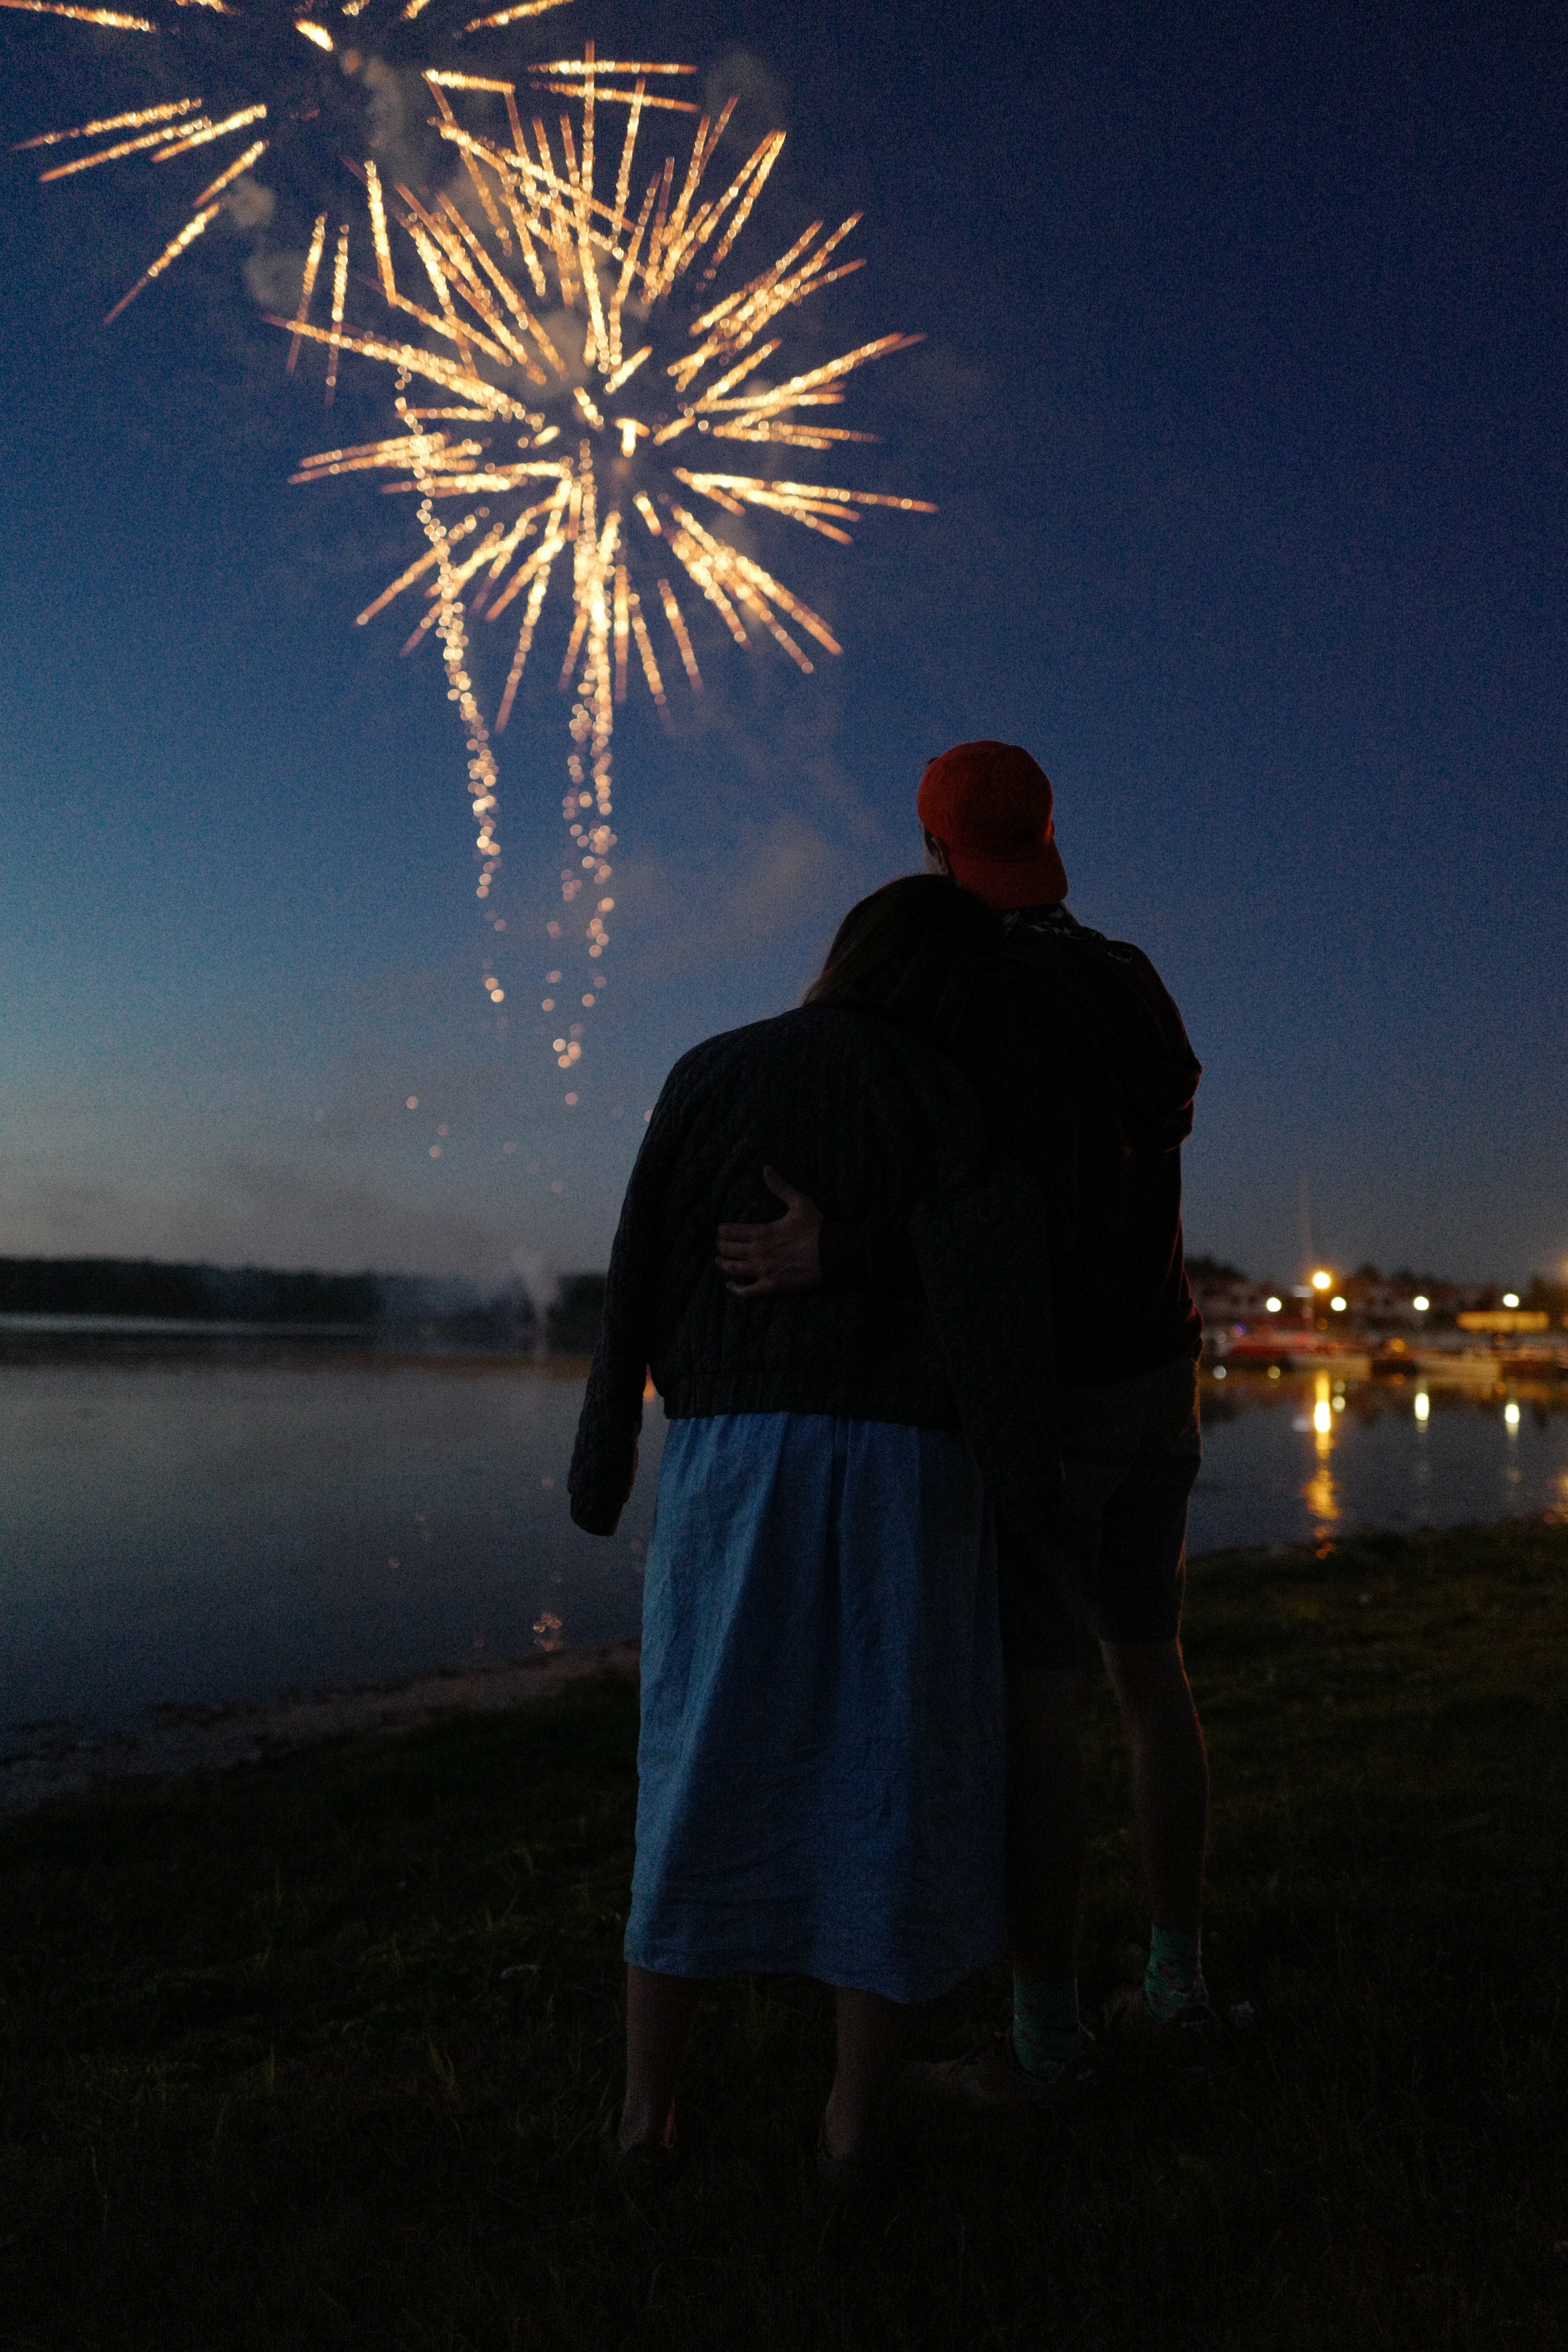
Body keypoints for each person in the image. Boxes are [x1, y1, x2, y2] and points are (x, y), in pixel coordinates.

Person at [715, 740, 1218, 2103]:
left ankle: (1044, 2036)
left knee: (1041, 1712)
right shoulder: (1128, 979)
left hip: (1048, 1395)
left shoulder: (970, 996)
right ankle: (1177, 1982)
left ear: (936, 849)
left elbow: (1002, 1224)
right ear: (1050, 835)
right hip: (1159, 1372)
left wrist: (846, 1251)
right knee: (1150, 1674)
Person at [570, 874, 1066, 2184]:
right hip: (909, 1469)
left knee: (699, 1759)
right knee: (883, 1773)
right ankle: (850, 2118)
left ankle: (644, 2114)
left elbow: (638, 1267)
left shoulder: (713, 1069)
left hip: (735, 1456)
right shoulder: (946, 1095)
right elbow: (1003, 1273)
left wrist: (605, 1451)